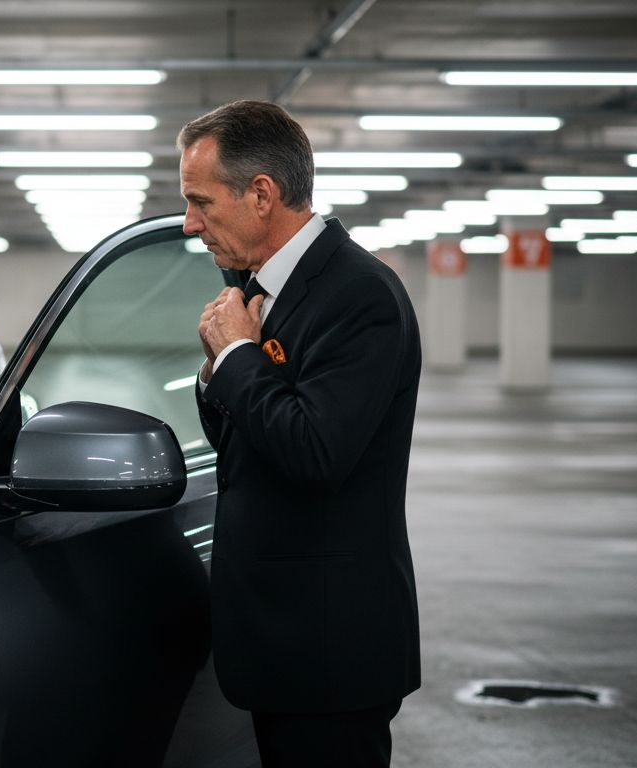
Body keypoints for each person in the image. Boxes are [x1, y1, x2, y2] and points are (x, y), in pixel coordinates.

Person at [182, 100, 421, 767]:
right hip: (285, 642)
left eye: (201, 201)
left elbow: (315, 451)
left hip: (329, 650)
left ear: (262, 194)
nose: (189, 222)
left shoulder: (359, 296)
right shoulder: (262, 289)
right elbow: (242, 441)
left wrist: (237, 358)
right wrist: (217, 372)